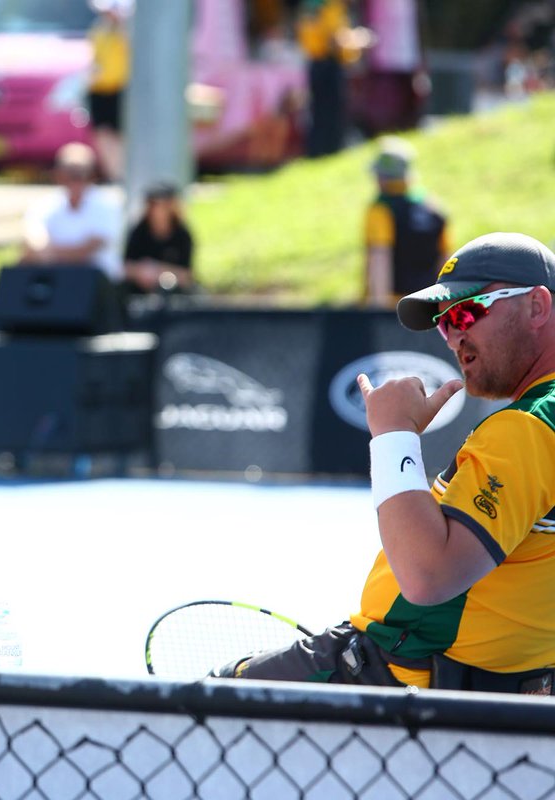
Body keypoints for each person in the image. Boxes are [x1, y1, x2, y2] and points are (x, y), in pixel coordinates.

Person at [212, 232, 555, 693]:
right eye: (443, 321)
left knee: (187, 718)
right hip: (499, 696)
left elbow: (427, 577)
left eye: (467, 311)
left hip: (403, 684)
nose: (453, 335)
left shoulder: (527, 426)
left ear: (537, 306)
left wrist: (393, 434)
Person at [365, 137, 450, 307]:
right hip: (429, 305)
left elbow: (380, 257)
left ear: (381, 177)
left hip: (396, 306)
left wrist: (379, 307)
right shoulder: (434, 207)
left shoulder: (381, 210)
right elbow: (445, 260)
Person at [19, 142, 122, 281]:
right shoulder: (45, 205)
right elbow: (34, 241)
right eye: (69, 174)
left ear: (91, 175)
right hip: (56, 279)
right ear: (59, 175)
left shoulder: (107, 204)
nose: (75, 181)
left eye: (81, 174)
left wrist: (50, 253)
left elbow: (89, 250)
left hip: (97, 284)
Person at [296, 0, 372, 157]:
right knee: (329, 111)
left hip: (319, 64)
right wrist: (357, 41)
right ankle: (330, 150)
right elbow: (334, 41)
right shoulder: (330, 6)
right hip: (328, 64)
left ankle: (321, 151)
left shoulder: (320, 6)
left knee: (321, 110)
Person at [122, 181, 195, 298]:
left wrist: (159, 272)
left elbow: (186, 276)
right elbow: (126, 267)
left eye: (163, 205)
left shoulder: (182, 234)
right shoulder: (139, 231)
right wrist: (141, 272)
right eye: (153, 204)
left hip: (171, 294)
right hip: (138, 293)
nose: (158, 210)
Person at [86, 0, 131, 184]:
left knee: (121, 134)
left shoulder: (127, 30)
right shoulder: (99, 29)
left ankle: (123, 172)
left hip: (120, 88)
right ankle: (114, 173)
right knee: (103, 134)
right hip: (99, 88)